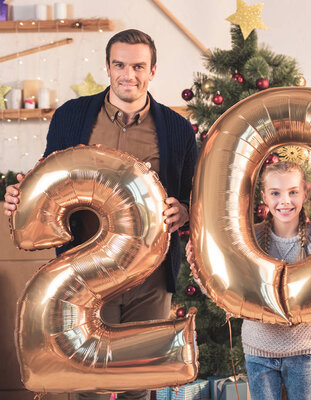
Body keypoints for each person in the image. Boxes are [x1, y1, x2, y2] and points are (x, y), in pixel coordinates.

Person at [3, 29, 198, 400]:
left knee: (139, 387)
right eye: (120, 65)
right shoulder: (73, 117)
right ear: (108, 67)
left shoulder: (176, 129)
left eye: (139, 66)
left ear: (153, 71)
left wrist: (185, 211)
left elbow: (190, 194)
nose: (129, 74)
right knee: (87, 383)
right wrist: (20, 195)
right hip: (84, 279)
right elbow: (49, 177)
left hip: (149, 280)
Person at [187, 160, 311, 400]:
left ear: (305, 193)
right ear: (264, 196)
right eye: (276, 193)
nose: (285, 201)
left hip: (304, 354)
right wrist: (198, 270)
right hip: (258, 352)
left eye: (293, 192)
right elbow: (224, 290)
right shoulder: (247, 240)